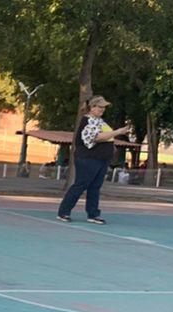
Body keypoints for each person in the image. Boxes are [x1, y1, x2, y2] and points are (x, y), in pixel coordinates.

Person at [57, 95, 134, 224]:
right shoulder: (88, 121)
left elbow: (106, 136)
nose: (102, 109)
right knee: (81, 184)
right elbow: (96, 137)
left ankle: (93, 214)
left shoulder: (100, 121)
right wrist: (118, 132)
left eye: (103, 107)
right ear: (92, 107)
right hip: (88, 159)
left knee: (95, 187)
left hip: (101, 159)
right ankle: (64, 211)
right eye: (99, 107)